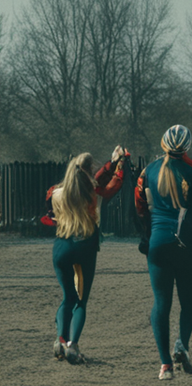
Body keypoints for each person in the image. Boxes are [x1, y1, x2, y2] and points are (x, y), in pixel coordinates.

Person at [134, 125, 192, 380]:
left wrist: (148, 233)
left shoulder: (148, 171)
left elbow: (139, 207)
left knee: (161, 302)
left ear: (163, 144)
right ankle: (182, 344)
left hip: (157, 243)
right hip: (186, 244)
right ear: (187, 147)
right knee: (189, 303)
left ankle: (165, 365)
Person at [45, 147, 129, 364]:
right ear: (86, 172)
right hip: (85, 247)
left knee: (67, 297)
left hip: (61, 247)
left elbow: (93, 180)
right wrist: (119, 167)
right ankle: (73, 345)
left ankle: (60, 340)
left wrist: (109, 165)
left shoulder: (55, 192)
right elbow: (110, 186)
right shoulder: (93, 194)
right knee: (81, 302)